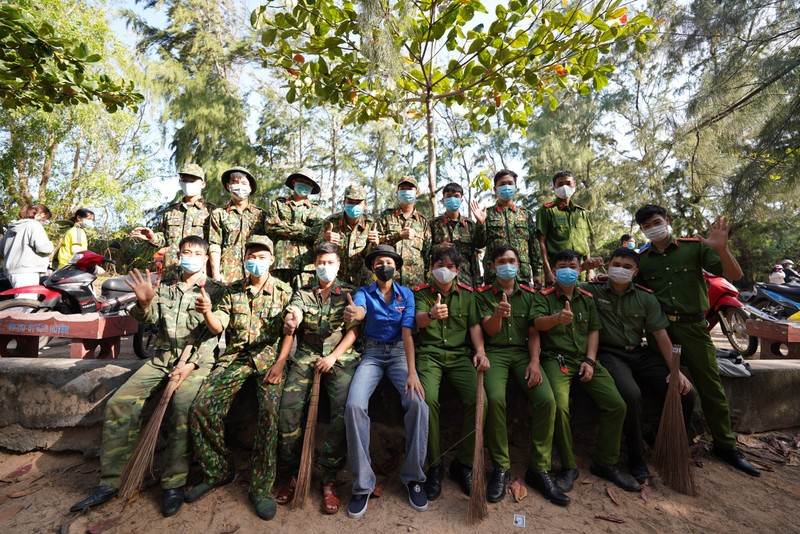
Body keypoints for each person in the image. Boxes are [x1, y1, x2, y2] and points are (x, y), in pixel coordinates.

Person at [69, 236, 228, 517]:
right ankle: (111, 481)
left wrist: (190, 364)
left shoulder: (218, 291)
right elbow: (150, 320)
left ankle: (173, 483)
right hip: (162, 359)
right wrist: (144, 304)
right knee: (120, 403)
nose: (189, 256)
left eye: (195, 253)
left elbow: (214, 334)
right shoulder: (164, 287)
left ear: (206, 258)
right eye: (184, 252)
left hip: (197, 363)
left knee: (181, 408)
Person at [634, 204, 760, 477]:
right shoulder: (642, 259)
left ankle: (726, 446)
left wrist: (722, 248)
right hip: (662, 332)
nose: (653, 229)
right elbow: (632, 289)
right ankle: (680, 437)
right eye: (646, 227)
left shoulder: (693, 248)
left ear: (667, 220)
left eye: (656, 222)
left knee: (710, 387)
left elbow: (734, 276)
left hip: (694, 329)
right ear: (642, 231)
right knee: (668, 386)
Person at [186, 235, 292, 521]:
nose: (256, 262)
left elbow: (288, 333)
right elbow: (219, 325)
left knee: (270, 413)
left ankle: (260, 487)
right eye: (251, 257)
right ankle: (218, 470)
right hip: (235, 358)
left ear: (272, 260)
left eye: (262, 257)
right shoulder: (232, 292)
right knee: (202, 407)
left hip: (269, 360)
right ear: (244, 260)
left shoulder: (284, 291)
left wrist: (281, 364)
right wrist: (208, 312)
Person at [581, 247, 694, 484]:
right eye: (615, 264)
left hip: (639, 354)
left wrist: (676, 370)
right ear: (608, 266)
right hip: (609, 354)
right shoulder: (592, 290)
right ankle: (636, 457)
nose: (619, 270)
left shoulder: (646, 297)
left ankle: (662, 441)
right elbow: (555, 288)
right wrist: (582, 268)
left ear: (635, 272)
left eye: (626, 267)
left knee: (684, 392)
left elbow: (661, 336)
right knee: (631, 395)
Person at [532, 249, 640, 494]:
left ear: (579, 268)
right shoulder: (544, 296)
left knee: (617, 404)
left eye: (573, 265)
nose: (568, 270)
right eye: (563, 265)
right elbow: (536, 324)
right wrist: (557, 318)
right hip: (555, 359)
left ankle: (606, 462)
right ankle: (569, 466)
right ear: (554, 269)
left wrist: (590, 361)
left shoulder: (587, 297)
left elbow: (594, 330)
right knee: (559, 407)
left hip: (585, 359)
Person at [476, 245, 567, 505]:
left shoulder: (530, 294)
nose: (507, 265)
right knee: (494, 399)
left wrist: (535, 362)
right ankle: (501, 467)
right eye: (501, 261)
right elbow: (488, 330)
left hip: (524, 354)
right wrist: (497, 315)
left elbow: (534, 331)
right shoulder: (483, 294)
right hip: (495, 353)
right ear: (492, 266)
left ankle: (540, 468)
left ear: (519, 265)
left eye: (512, 261)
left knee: (547, 400)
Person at [275, 243, 362, 515]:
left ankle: (329, 478)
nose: (325, 267)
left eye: (330, 262)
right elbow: (295, 313)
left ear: (338, 266)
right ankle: (292, 473)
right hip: (306, 356)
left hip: (340, 357)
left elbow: (354, 331)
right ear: (315, 264)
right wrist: (292, 320)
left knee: (341, 412)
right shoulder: (302, 291)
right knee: (287, 412)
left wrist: (334, 357)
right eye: (320, 262)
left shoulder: (349, 292)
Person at [342, 244, 428, 519]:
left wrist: (412, 372)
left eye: (389, 262)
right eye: (379, 262)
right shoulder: (364, 293)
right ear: (372, 267)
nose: (384, 266)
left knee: (418, 404)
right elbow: (361, 311)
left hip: (401, 354)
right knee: (354, 405)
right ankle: (363, 483)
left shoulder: (407, 295)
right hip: (372, 353)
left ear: (397, 267)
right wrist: (355, 314)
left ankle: (413, 476)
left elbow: (407, 333)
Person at [413, 247, 489, 501]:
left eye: (450, 266)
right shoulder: (421, 294)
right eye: (439, 265)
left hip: (459, 357)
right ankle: (434, 465)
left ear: (458, 270)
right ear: (432, 267)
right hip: (429, 355)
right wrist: (431, 315)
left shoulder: (468, 295)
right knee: (427, 401)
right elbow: (417, 321)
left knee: (480, 401)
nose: (444, 270)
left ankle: (463, 464)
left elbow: (475, 326)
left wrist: (480, 351)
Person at [130, 164, 214, 274]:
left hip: (199, 271)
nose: (188, 183)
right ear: (180, 182)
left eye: (192, 180)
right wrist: (152, 237)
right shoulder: (170, 211)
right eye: (185, 180)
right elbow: (164, 240)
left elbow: (215, 245)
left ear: (203, 184)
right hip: (171, 269)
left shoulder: (211, 211)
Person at [476, 169, 541, 287]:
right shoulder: (487, 213)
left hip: (521, 274)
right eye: (502, 184)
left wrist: (537, 272)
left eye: (510, 183)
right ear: (495, 189)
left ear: (515, 187)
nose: (506, 187)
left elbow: (534, 245)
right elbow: (479, 243)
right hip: (495, 274)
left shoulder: (525, 214)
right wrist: (480, 224)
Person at [264, 167, 325, 287]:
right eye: (302, 181)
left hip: (306, 265)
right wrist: (303, 229)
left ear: (312, 188)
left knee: (304, 300)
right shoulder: (278, 204)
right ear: (294, 182)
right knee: (278, 300)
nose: (304, 185)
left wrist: (283, 227)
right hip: (280, 263)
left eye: (308, 184)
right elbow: (270, 225)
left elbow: (316, 233)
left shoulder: (315, 209)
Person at [536, 170, 594, 285]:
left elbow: (585, 242)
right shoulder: (546, 211)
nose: (564, 187)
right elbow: (541, 242)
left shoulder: (581, 212)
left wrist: (590, 270)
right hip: (558, 268)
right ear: (554, 187)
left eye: (568, 183)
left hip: (579, 268)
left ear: (575, 185)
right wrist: (548, 271)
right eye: (560, 184)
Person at [208, 167, 265, 284]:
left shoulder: (261, 215)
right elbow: (214, 245)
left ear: (250, 188)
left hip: (255, 272)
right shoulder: (219, 214)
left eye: (244, 183)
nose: (239, 186)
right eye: (235, 182)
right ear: (228, 186)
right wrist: (216, 273)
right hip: (228, 273)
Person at [375, 176, 431, 288]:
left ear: (417, 193)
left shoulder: (423, 222)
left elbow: (427, 254)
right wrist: (397, 236)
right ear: (397, 193)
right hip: (389, 282)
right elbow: (376, 245)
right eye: (403, 189)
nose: (406, 192)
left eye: (410, 189)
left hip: (416, 284)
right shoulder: (386, 217)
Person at [429, 182, 486, 288]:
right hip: (441, 278)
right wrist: (439, 247)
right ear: (443, 200)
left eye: (456, 196)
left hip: (465, 278)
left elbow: (479, 246)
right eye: (449, 196)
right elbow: (426, 250)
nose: (452, 199)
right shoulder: (434, 224)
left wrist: (481, 224)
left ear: (461, 200)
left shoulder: (469, 224)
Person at [315, 185, 375, 287]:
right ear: (344, 202)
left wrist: (374, 244)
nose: (354, 205)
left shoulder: (371, 224)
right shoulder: (331, 222)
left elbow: (371, 257)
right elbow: (316, 248)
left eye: (358, 202)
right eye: (350, 202)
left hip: (363, 280)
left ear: (365, 204)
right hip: (336, 279)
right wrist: (324, 239)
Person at [0, 205, 53, 298]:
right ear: (42, 215)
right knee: (26, 303)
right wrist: (50, 245)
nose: (44, 222)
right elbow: (43, 248)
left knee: (20, 300)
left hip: (11, 270)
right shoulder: (34, 225)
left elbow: (2, 248)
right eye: (45, 219)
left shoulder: (11, 227)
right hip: (27, 270)